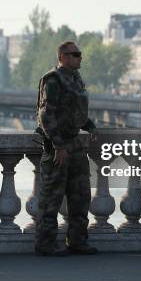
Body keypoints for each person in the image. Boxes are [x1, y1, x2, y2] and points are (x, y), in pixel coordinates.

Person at [34, 41, 99, 256]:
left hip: (75, 146)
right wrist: (58, 145)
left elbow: (75, 112)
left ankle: (78, 241)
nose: (79, 57)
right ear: (62, 57)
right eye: (74, 54)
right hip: (58, 148)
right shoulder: (53, 80)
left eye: (79, 54)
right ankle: (46, 244)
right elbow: (46, 115)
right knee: (51, 199)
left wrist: (90, 127)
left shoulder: (76, 79)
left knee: (80, 197)